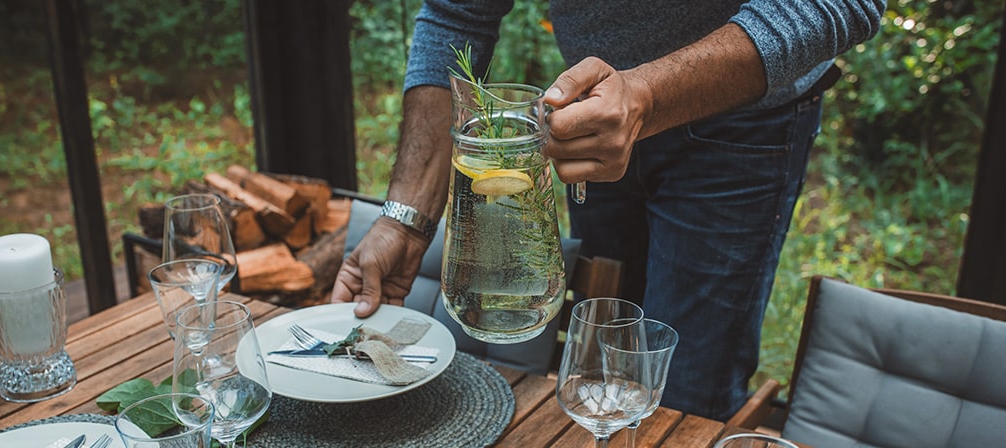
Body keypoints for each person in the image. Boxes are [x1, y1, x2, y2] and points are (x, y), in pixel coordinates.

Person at [331, 0, 886, 420]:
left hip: (743, 125)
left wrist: (645, 95)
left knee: (684, 388)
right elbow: (457, 13)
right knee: (596, 377)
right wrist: (405, 218)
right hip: (592, 117)